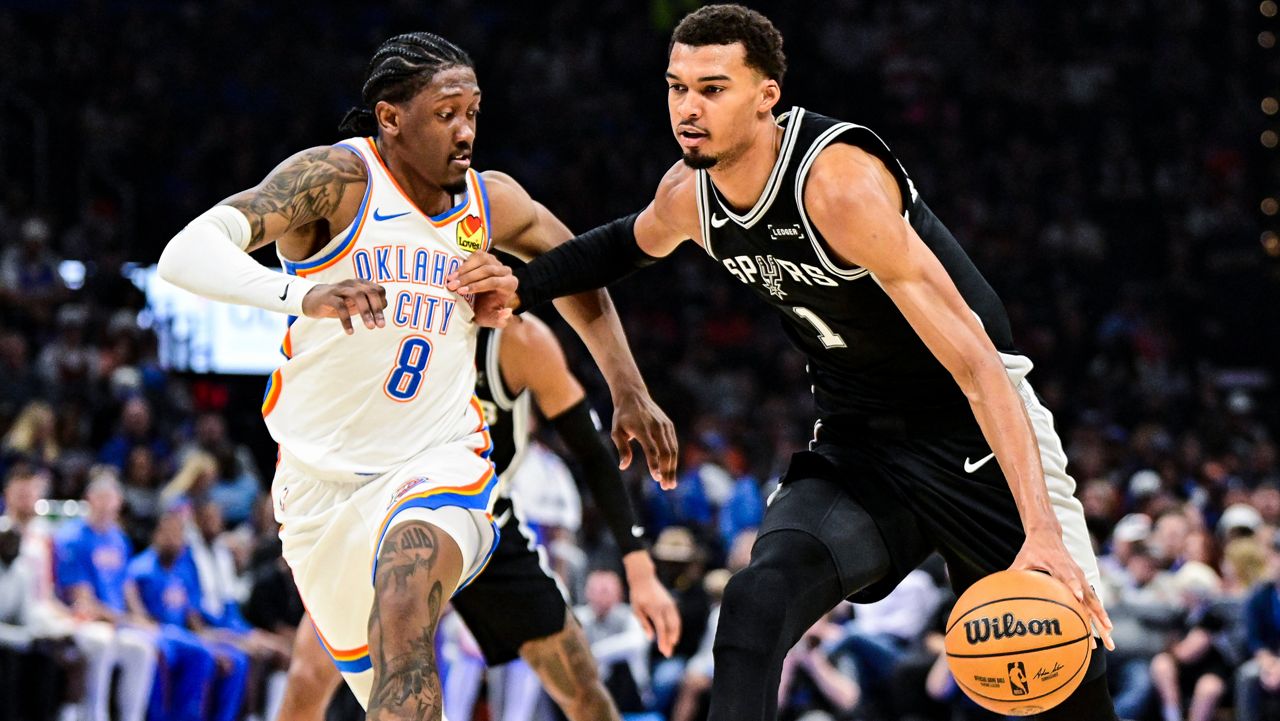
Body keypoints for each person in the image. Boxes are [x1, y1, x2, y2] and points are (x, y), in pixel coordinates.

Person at [464, 5, 1120, 719]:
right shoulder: (691, 197)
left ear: (766, 94)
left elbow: (981, 367)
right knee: (754, 599)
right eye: (677, 87)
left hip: (978, 437)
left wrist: (1042, 530)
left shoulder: (838, 188)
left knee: (1064, 683)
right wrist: (522, 283)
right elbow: (619, 244)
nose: (689, 107)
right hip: (862, 444)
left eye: (713, 88)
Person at [156, 30, 676, 718]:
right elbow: (185, 252)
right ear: (391, 119)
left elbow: (582, 270)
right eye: (445, 114)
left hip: (438, 461)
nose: (465, 131)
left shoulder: (489, 202)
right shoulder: (337, 183)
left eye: (473, 113)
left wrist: (628, 385)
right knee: (367, 689)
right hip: (319, 486)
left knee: (412, 613)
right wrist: (300, 294)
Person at [277, 316, 680, 721]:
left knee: (579, 684)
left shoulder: (518, 339)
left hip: (481, 515)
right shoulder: (391, 319)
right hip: (386, 508)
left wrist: (638, 563)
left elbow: (592, 451)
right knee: (308, 675)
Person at [55, 472, 157, 721]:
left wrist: (141, 618)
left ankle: (132, 717)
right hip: (78, 619)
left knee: (142, 648)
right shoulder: (72, 537)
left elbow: (126, 587)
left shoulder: (119, 540)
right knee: (103, 641)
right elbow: (81, 598)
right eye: (100, 498)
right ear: (89, 499)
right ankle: (94, 715)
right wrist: (123, 619)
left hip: (115, 622)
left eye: (111, 499)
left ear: (119, 503)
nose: (106, 505)